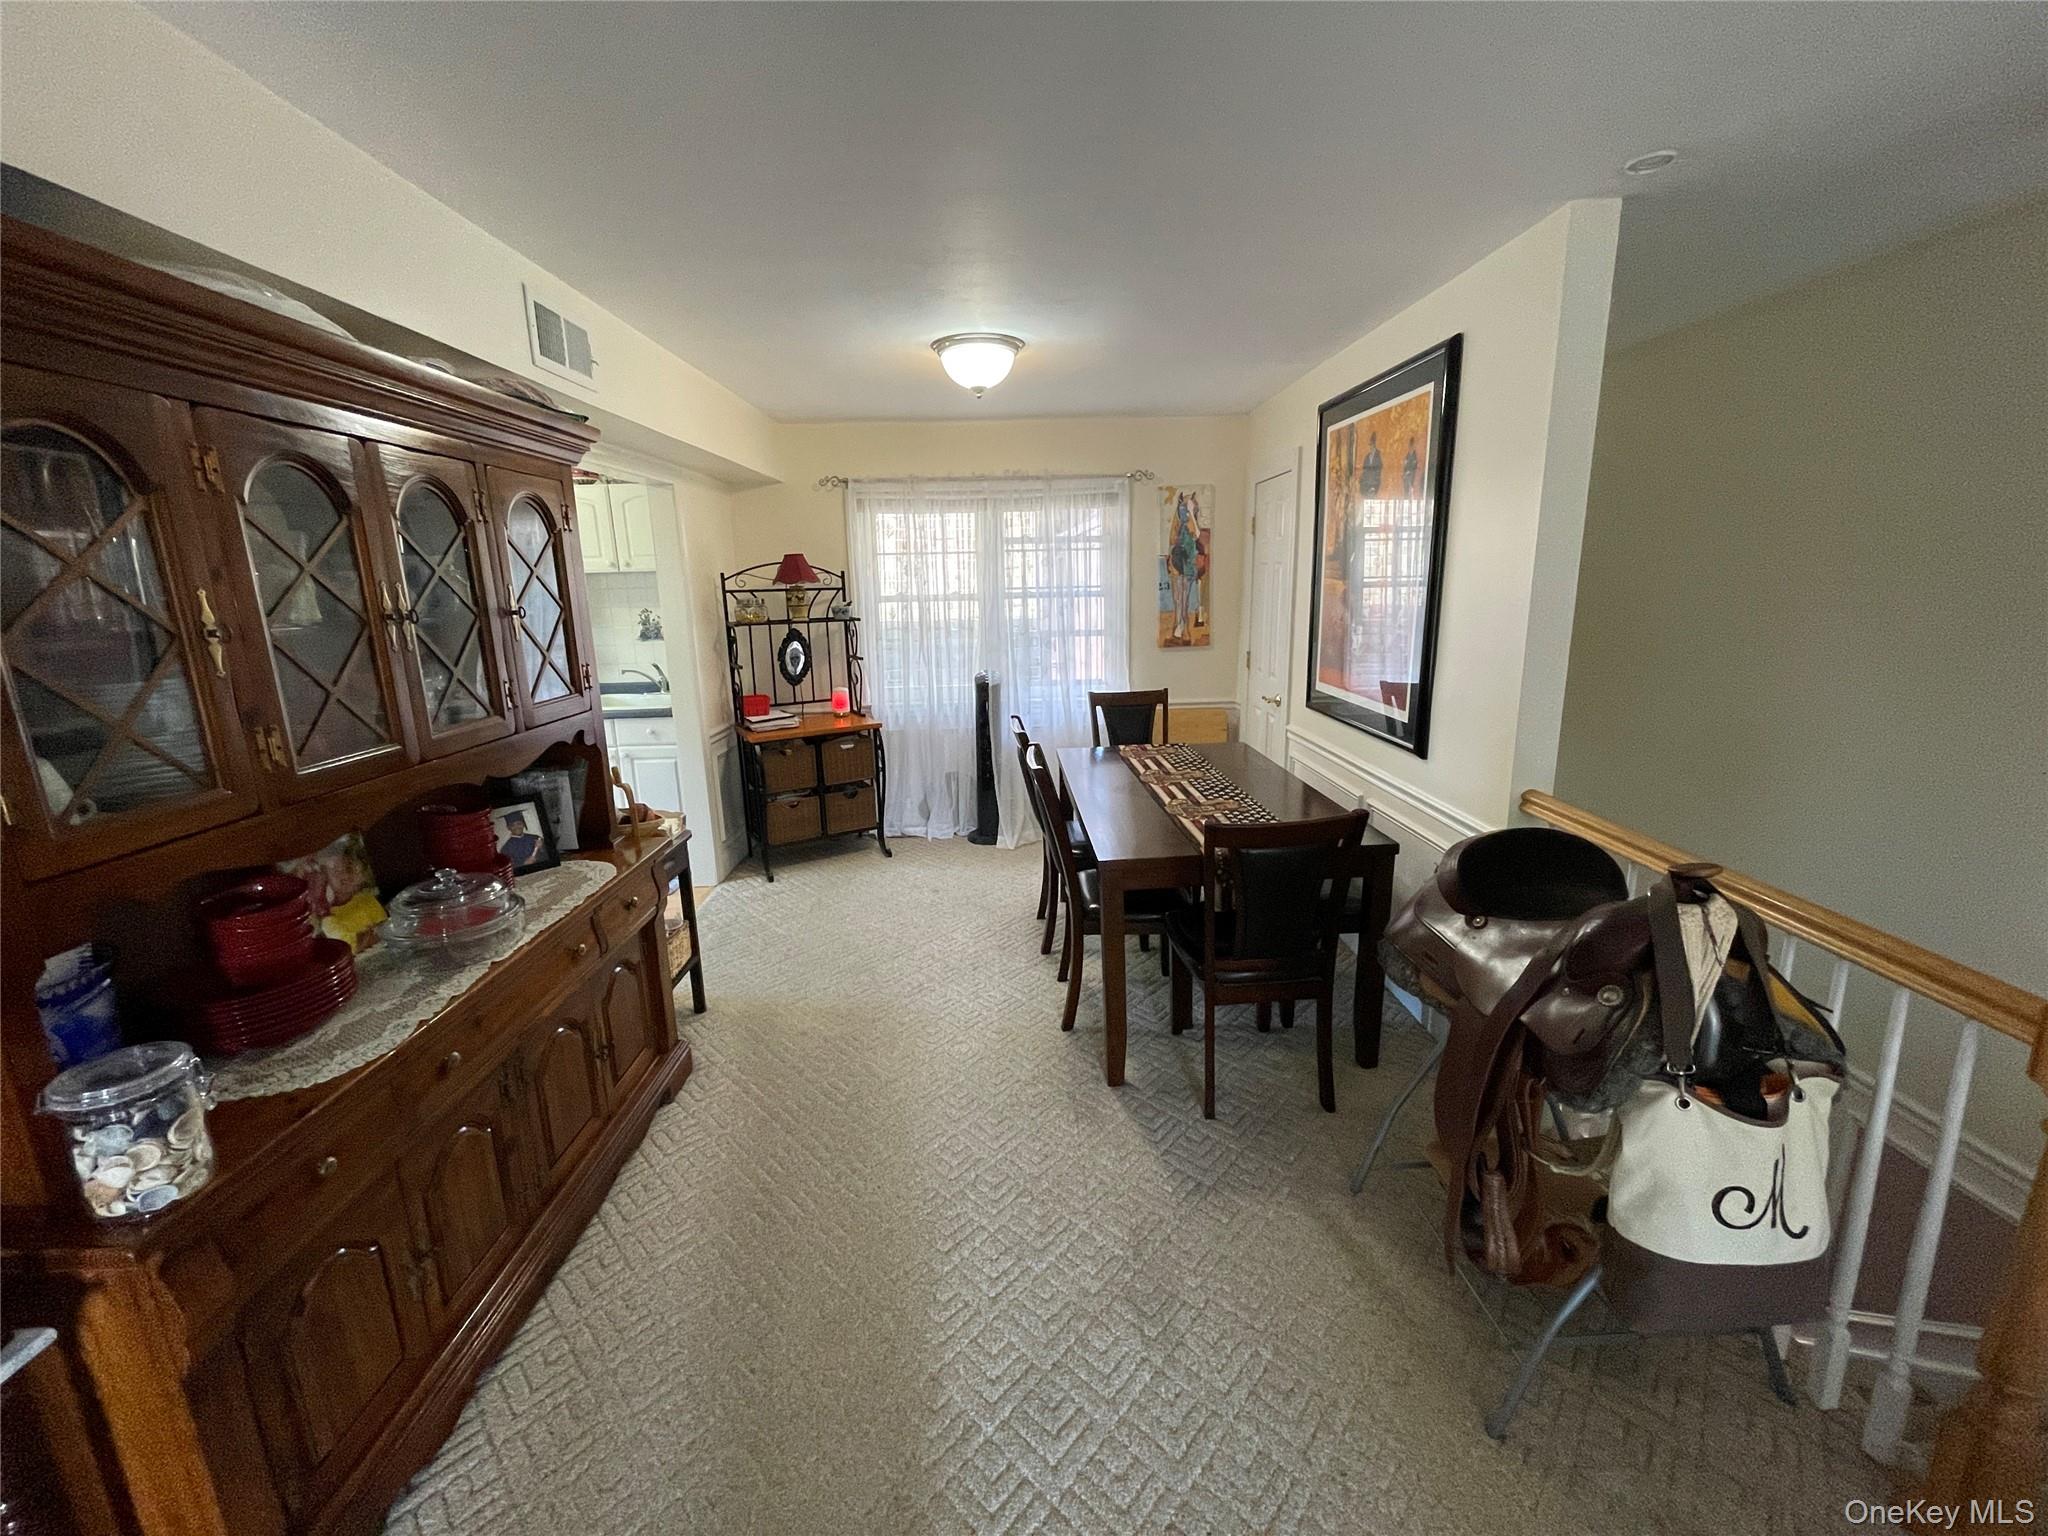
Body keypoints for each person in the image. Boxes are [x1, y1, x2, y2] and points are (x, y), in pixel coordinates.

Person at [1166, 491, 1202, 644]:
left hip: (1188, 555)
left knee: (1185, 595)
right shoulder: (1179, 520)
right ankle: (1178, 624)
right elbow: (1173, 540)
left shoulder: (1190, 527)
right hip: (1178, 554)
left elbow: (1196, 533)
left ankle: (1183, 625)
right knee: (1177, 594)